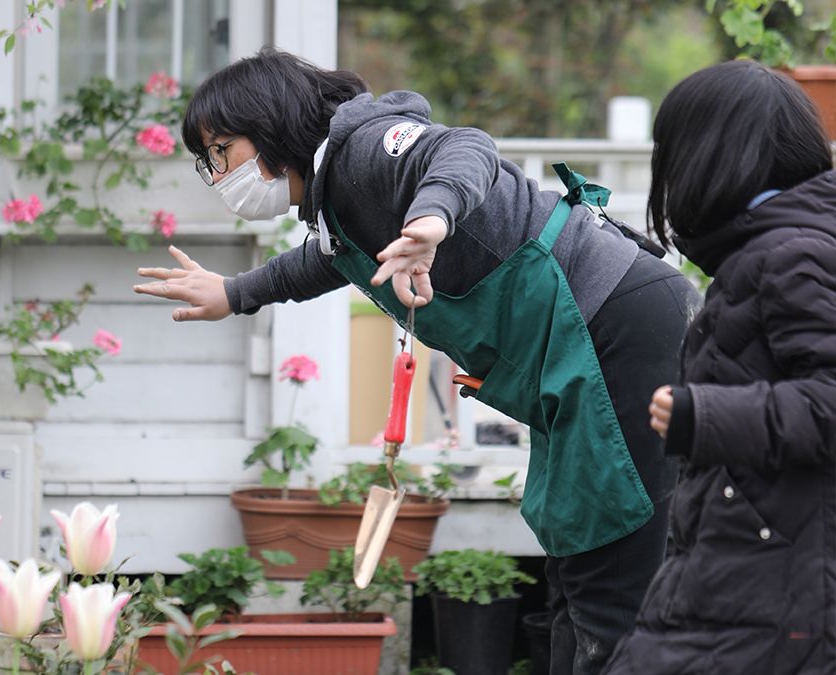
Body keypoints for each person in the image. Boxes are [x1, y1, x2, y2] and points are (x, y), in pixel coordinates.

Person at [134, 48, 701, 674]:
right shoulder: (334, 201)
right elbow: (322, 258)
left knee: (612, 566)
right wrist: (233, 294)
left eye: (221, 151)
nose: (217, 173)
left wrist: (432, 216)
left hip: (617, 322)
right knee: (571, 562)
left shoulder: (366, 148)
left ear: (268, 125)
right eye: (206, 159)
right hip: (581, 345)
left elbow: (464, 149)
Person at [604, 60, 836, 674]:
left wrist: (703, 414)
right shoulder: (771, 250)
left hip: (777, 584)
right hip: (748, 567)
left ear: (708, 155)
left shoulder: (793, 253)